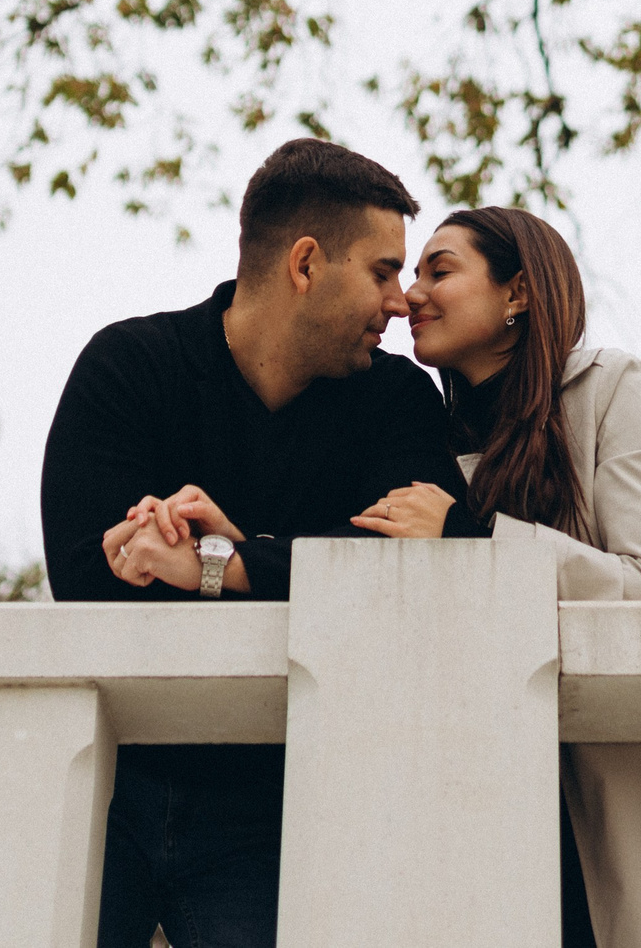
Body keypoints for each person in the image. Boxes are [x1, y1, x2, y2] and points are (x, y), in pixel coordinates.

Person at [41, 138, 471, 948]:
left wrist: (222, 560)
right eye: (384, 271)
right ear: (306, 263)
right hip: (105, 780)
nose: (402, 302)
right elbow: (86, 579)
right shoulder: (130, 365)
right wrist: (289, 560)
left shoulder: (398, 401)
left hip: (284, 801)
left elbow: (418, 579)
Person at [353, 207, 641, 948]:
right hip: (481, 781)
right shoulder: (418, 437)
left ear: (519, 292)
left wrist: (475, 541)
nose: (412, 294)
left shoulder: (612, 388)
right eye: (411, 275)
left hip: (627, 777)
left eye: (439, 270)